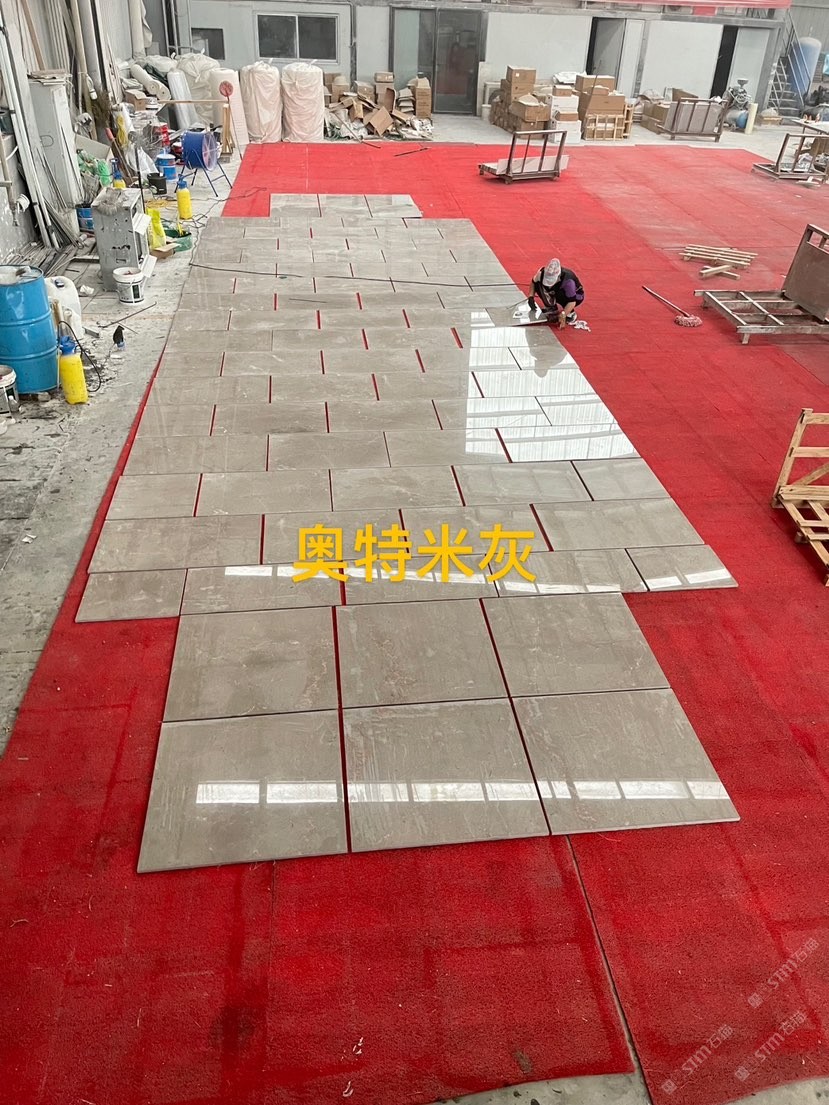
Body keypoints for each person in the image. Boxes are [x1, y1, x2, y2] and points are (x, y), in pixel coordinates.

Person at [528, 258, 584, 327]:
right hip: (556, 291)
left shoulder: (568, 281)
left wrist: (563, 314)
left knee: (562, 294)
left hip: (575, 296)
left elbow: (572, 301)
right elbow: (534, 282)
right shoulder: (541, 273)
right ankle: (551, 307)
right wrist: (531, 296)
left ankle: (571, 313)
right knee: (538, 284)